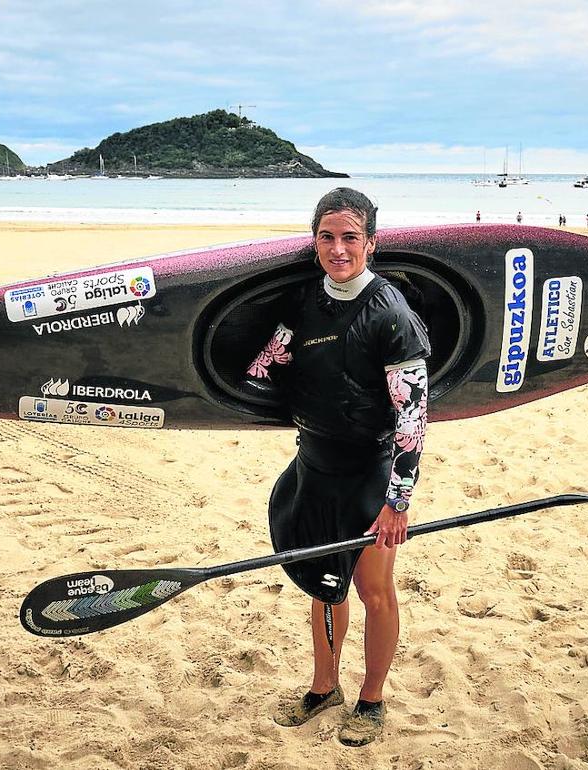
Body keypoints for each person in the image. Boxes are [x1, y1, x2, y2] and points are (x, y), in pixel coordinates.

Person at [245, 187, 430, 747]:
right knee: (324, 587)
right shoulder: (304, 303)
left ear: (371, 243)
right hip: (314, 466)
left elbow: (413, 418)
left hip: (369, 475)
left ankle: (371, 699)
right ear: (315, 242)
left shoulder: (391, 315)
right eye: (327, 237)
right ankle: (324, 687)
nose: (338, 249)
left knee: (374, 589)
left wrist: (397, 502)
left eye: (351, 237)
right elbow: (266, 366)